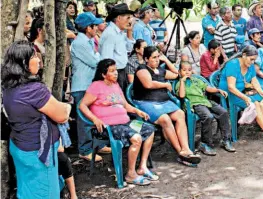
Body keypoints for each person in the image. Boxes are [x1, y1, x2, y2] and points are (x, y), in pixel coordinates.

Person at [1, 40, 72, 199]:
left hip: (20, 147)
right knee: (45, 194)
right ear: (24, 63)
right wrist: (67, 107)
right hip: (37, 153)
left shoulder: (8, 86)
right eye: (34, 56)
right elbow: (62, 115)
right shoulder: (33, 90)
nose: (39, 59)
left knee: (26, 192)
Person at [80, 59, 157, 185]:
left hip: (125, 123)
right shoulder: (96, 86)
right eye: (112, 71)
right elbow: (82, 105)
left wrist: (137, 111)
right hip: (109, 127)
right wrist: (95, 119)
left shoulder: (116, 85)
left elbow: (126, 105)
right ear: (103, 74)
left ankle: (142, 167)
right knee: (136, 138)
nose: (116, 73)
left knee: (149, 130)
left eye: (115, 70)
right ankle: (131, 174)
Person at [133, 46, 201, 165]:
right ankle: (181, 152)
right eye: (154, 57)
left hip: (164, 102)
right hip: (147, 103)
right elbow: (148, 84)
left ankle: (186, 148)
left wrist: (166, 60)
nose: (157, 60)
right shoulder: (142, 69)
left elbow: (176, 74)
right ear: (146, 59)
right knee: (165, 119)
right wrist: (164, 85)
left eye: (158, 57)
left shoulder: (160, 70)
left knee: (180, 114)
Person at [219, 45, 263, 144]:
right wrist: (245, 98)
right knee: (255, 104)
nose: (252, 62)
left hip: (242, 91)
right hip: (230, 94)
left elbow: (254, 80)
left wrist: (261, 91)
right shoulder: (233, 64)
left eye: (254, 60)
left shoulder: (250, 65)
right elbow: (231, 87)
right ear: (243, 55)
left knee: (262, 99)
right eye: (251, 59)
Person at [70, 12, 110, 161]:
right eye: (95, 26)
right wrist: (98, 57)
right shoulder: (80, 43)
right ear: (88, 28)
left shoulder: (87, 41)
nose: (97, 28)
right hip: (82, 86)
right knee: (84, 119)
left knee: (96, 115)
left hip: (89, 85)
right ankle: (85, 149)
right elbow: (96, 62)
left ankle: (98, 144)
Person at [175, 61, 235, 155]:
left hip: (205, 101)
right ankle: (205, 144)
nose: (187, 72)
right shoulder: (179, 83)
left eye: (189, 70)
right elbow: (182, 95)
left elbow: (208, 88)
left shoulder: (196, 80)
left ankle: (226, 140)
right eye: (184, 70)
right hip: (195, 104)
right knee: (208, 116)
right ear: (179, 72)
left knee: (223, 112)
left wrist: (218, 90)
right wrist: (182, 81)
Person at [99, 3, 136, 92]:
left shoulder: (119, 33)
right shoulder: (110, 33)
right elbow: (106, 60)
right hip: (114, 73)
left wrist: (129, 31)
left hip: (121, 72)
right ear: (119, 18)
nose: (130, 21)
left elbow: (129, 48)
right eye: (128, 18)